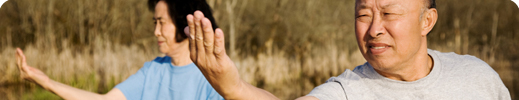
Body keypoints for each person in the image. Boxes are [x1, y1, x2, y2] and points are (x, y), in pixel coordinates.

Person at [184, 0, 512, 99]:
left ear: (427, 21)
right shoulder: (347, 91)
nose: (373, 29)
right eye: (363, 15)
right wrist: (232, 86)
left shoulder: (477, 76)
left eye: (388, 13)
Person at [15, 0, 224, 99]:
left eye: (161, 22)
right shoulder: (152, 71)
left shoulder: (211, 77)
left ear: (184, 22)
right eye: (154, 23)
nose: (156, 32)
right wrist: (46, 82)